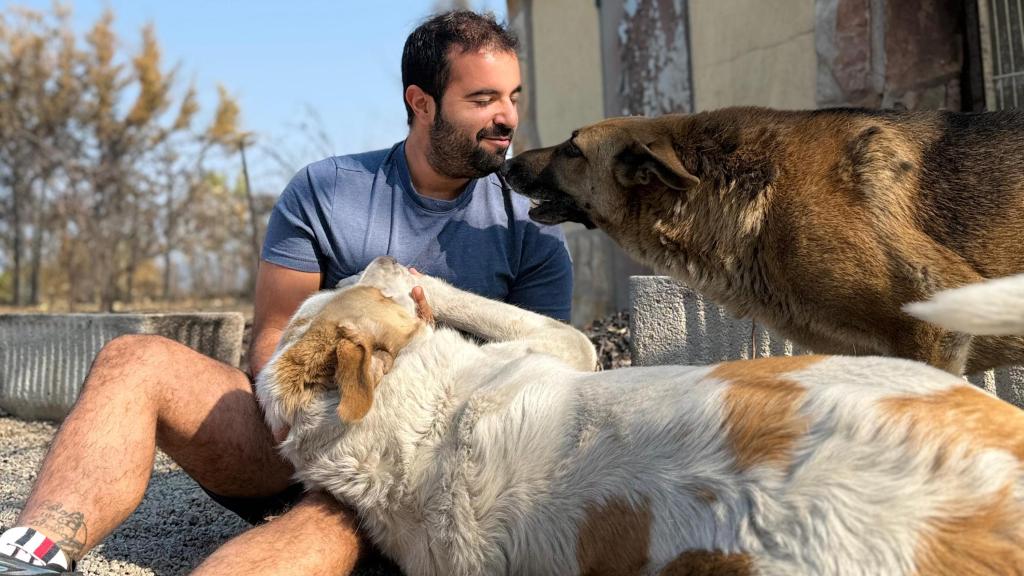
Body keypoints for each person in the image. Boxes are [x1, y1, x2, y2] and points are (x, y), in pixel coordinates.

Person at [0, 10, 572, 576]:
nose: (507, 117)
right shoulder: (327, 190)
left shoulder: (529, 227)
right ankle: (32, 555)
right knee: (133, 359)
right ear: (421, 102)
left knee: (325, 520)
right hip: (295, 431)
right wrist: (301, 427)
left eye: (513, 97)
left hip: (415, 472)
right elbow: (273, 333)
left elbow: (549, 383)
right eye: (483, 99)